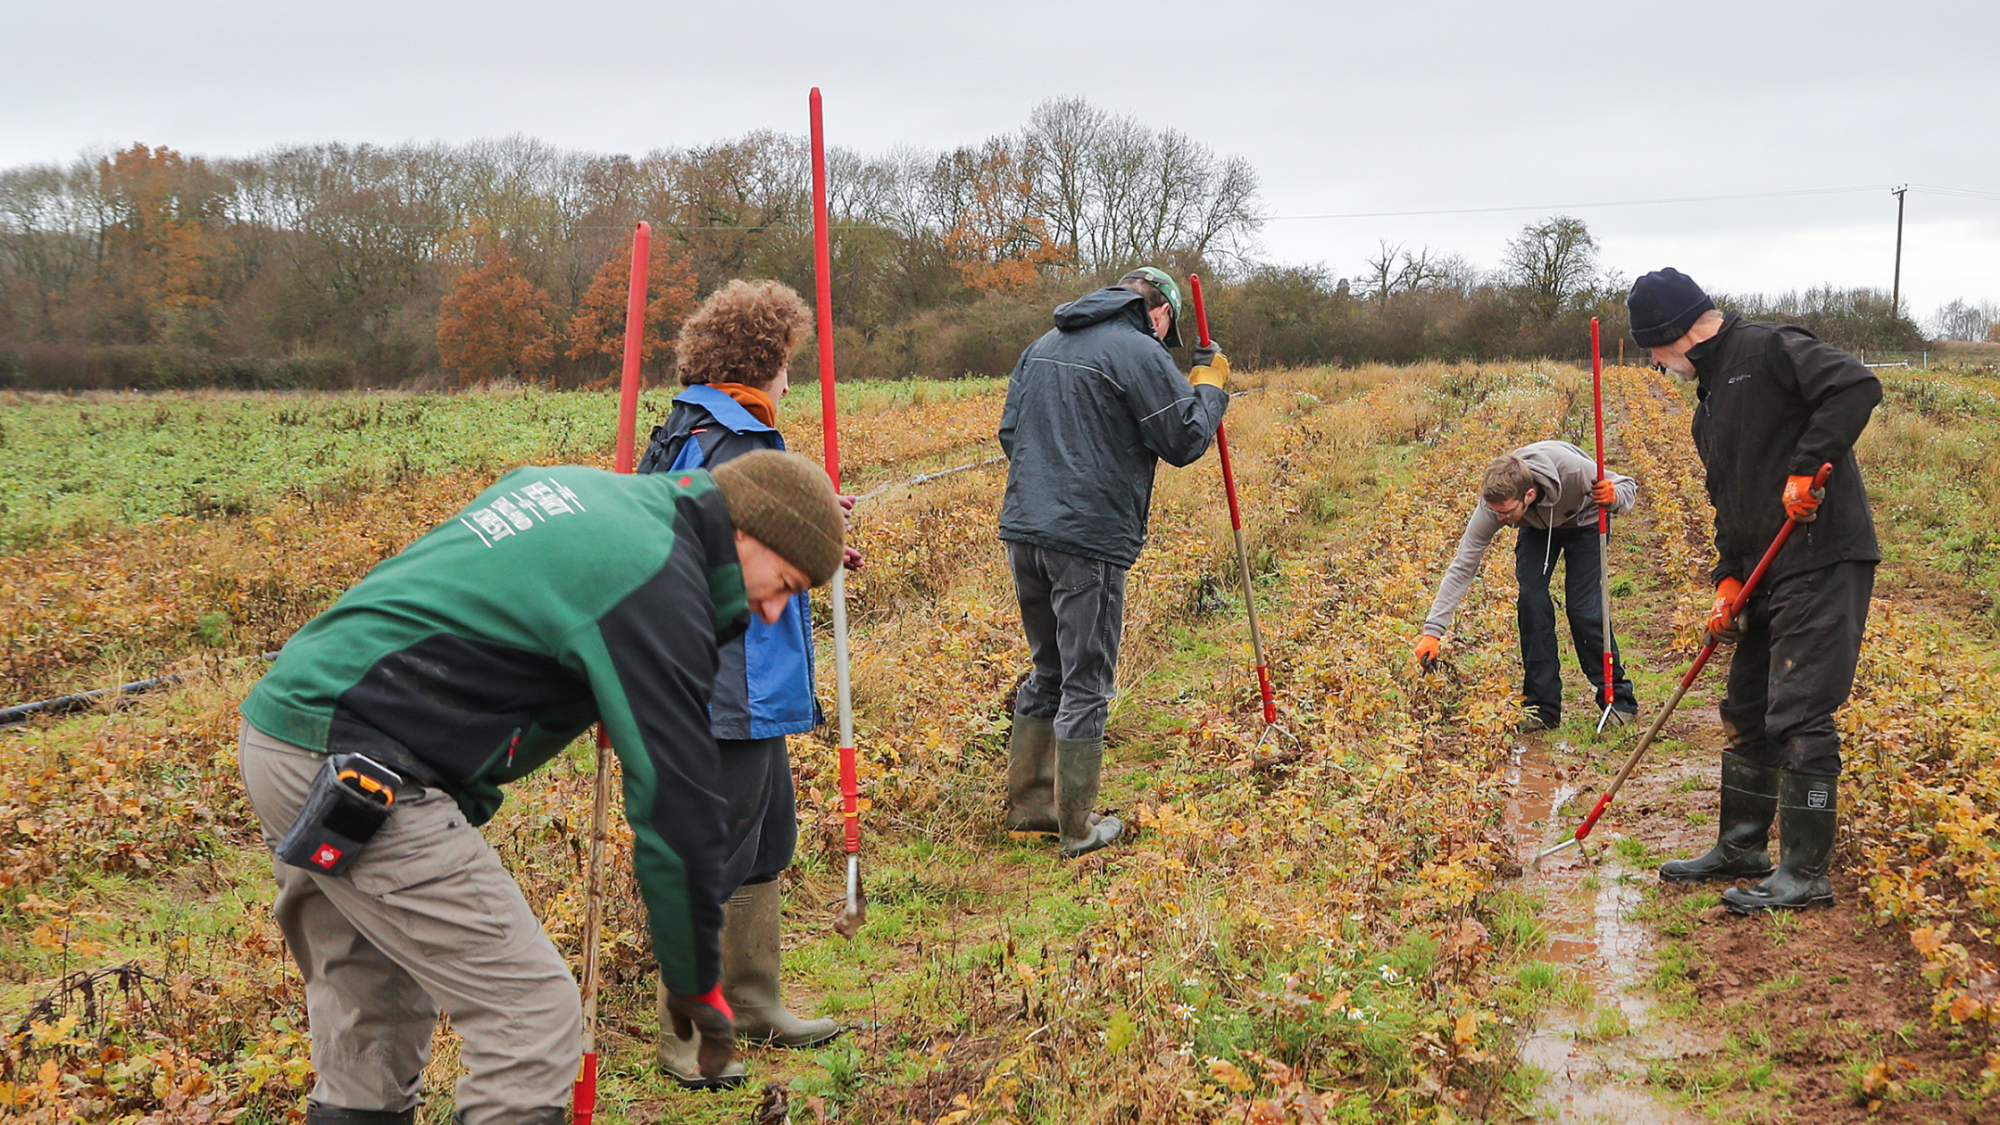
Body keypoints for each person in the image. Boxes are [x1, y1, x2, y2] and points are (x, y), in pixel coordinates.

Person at [236, 450, 845, 1125]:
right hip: (365, 770)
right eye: (784, 582)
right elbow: (674, 810)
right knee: (530, 1016)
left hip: (286, 732)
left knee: (370, 1029)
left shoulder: (600, 499)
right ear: (746, 532)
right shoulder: (656, 580)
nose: (772, 612)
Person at [635, 280, 853, 1087]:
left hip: (752, 678)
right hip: (727, 677)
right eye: (788, 362)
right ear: (765, 361)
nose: (792, 378)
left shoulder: (706, 423)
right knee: (711, 848)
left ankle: (756, 999)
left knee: (766, 838)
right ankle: (686, 1038)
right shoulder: (725, 438)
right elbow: (695, 545)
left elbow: (747, 529)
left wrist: (815, 521)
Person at [1627, 267, 1881, 913]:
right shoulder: (1707, 408)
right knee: (1745, 708)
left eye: (1652, 350)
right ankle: (1742, 848)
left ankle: (1805, 872)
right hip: (1763, 572)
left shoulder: (1768, 349)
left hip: (1821, 558)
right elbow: (1728, 507)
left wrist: (1807, 466)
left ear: (1673, 332)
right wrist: (1728, 578)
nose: (1655, 363)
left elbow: (1856, 384)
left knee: (1800, 712)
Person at [997, 266, 1229, 858]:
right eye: (1167, 330)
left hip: (1025, 530)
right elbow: (1183, 440)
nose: (1164, 340)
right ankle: (1077, 827)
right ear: (1161, 314)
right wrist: (1210, 387)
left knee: (1048, 668)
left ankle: (1030, 806)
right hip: (1088, 539)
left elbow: (1010, 433)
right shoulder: (1139, 351)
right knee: (1087, 680)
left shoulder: (1041, 345)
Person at [1416, 442, 1640, 732]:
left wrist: (1613, 497)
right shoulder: (1494, 506)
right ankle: (1542, 708)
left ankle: (1618, 701)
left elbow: (1627, 486)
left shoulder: (1574, 471)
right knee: (1531, 601)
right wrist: (1433, 632)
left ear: (1529, 494)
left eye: (1506, 513)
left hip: (1584, 521)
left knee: (1583, 609)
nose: (1500, 519)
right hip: (1536, 528)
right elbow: (1463, 565)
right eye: (1495, 512)